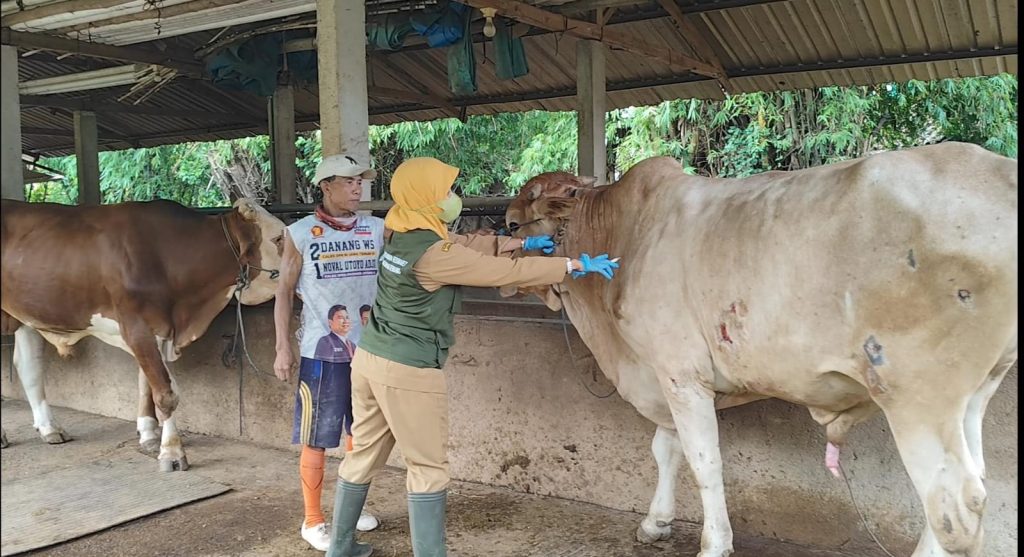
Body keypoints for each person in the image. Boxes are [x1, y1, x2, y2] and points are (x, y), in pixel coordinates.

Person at [324, 157, 619, 557]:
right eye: (444, 192)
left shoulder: (401, 231)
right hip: (408, 369)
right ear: (426, 197)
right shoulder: (433, 256)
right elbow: (494, 272)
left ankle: (340, 548)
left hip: (372, 360)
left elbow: (462, 245)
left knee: (362, 457)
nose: (451, 198)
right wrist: (572, 264)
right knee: (428, 470)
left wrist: (521, 243)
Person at [274, 153, 384, 552]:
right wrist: (282, 346)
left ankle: (350, 511)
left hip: (369, 349)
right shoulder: (300, 233)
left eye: (361, 181)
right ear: (326, 186)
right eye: (349, 181)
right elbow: (284, 292)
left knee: (363, 433)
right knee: (317, 436)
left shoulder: (376, 229)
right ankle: (313, 520)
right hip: (322, 354)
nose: (358, 188)